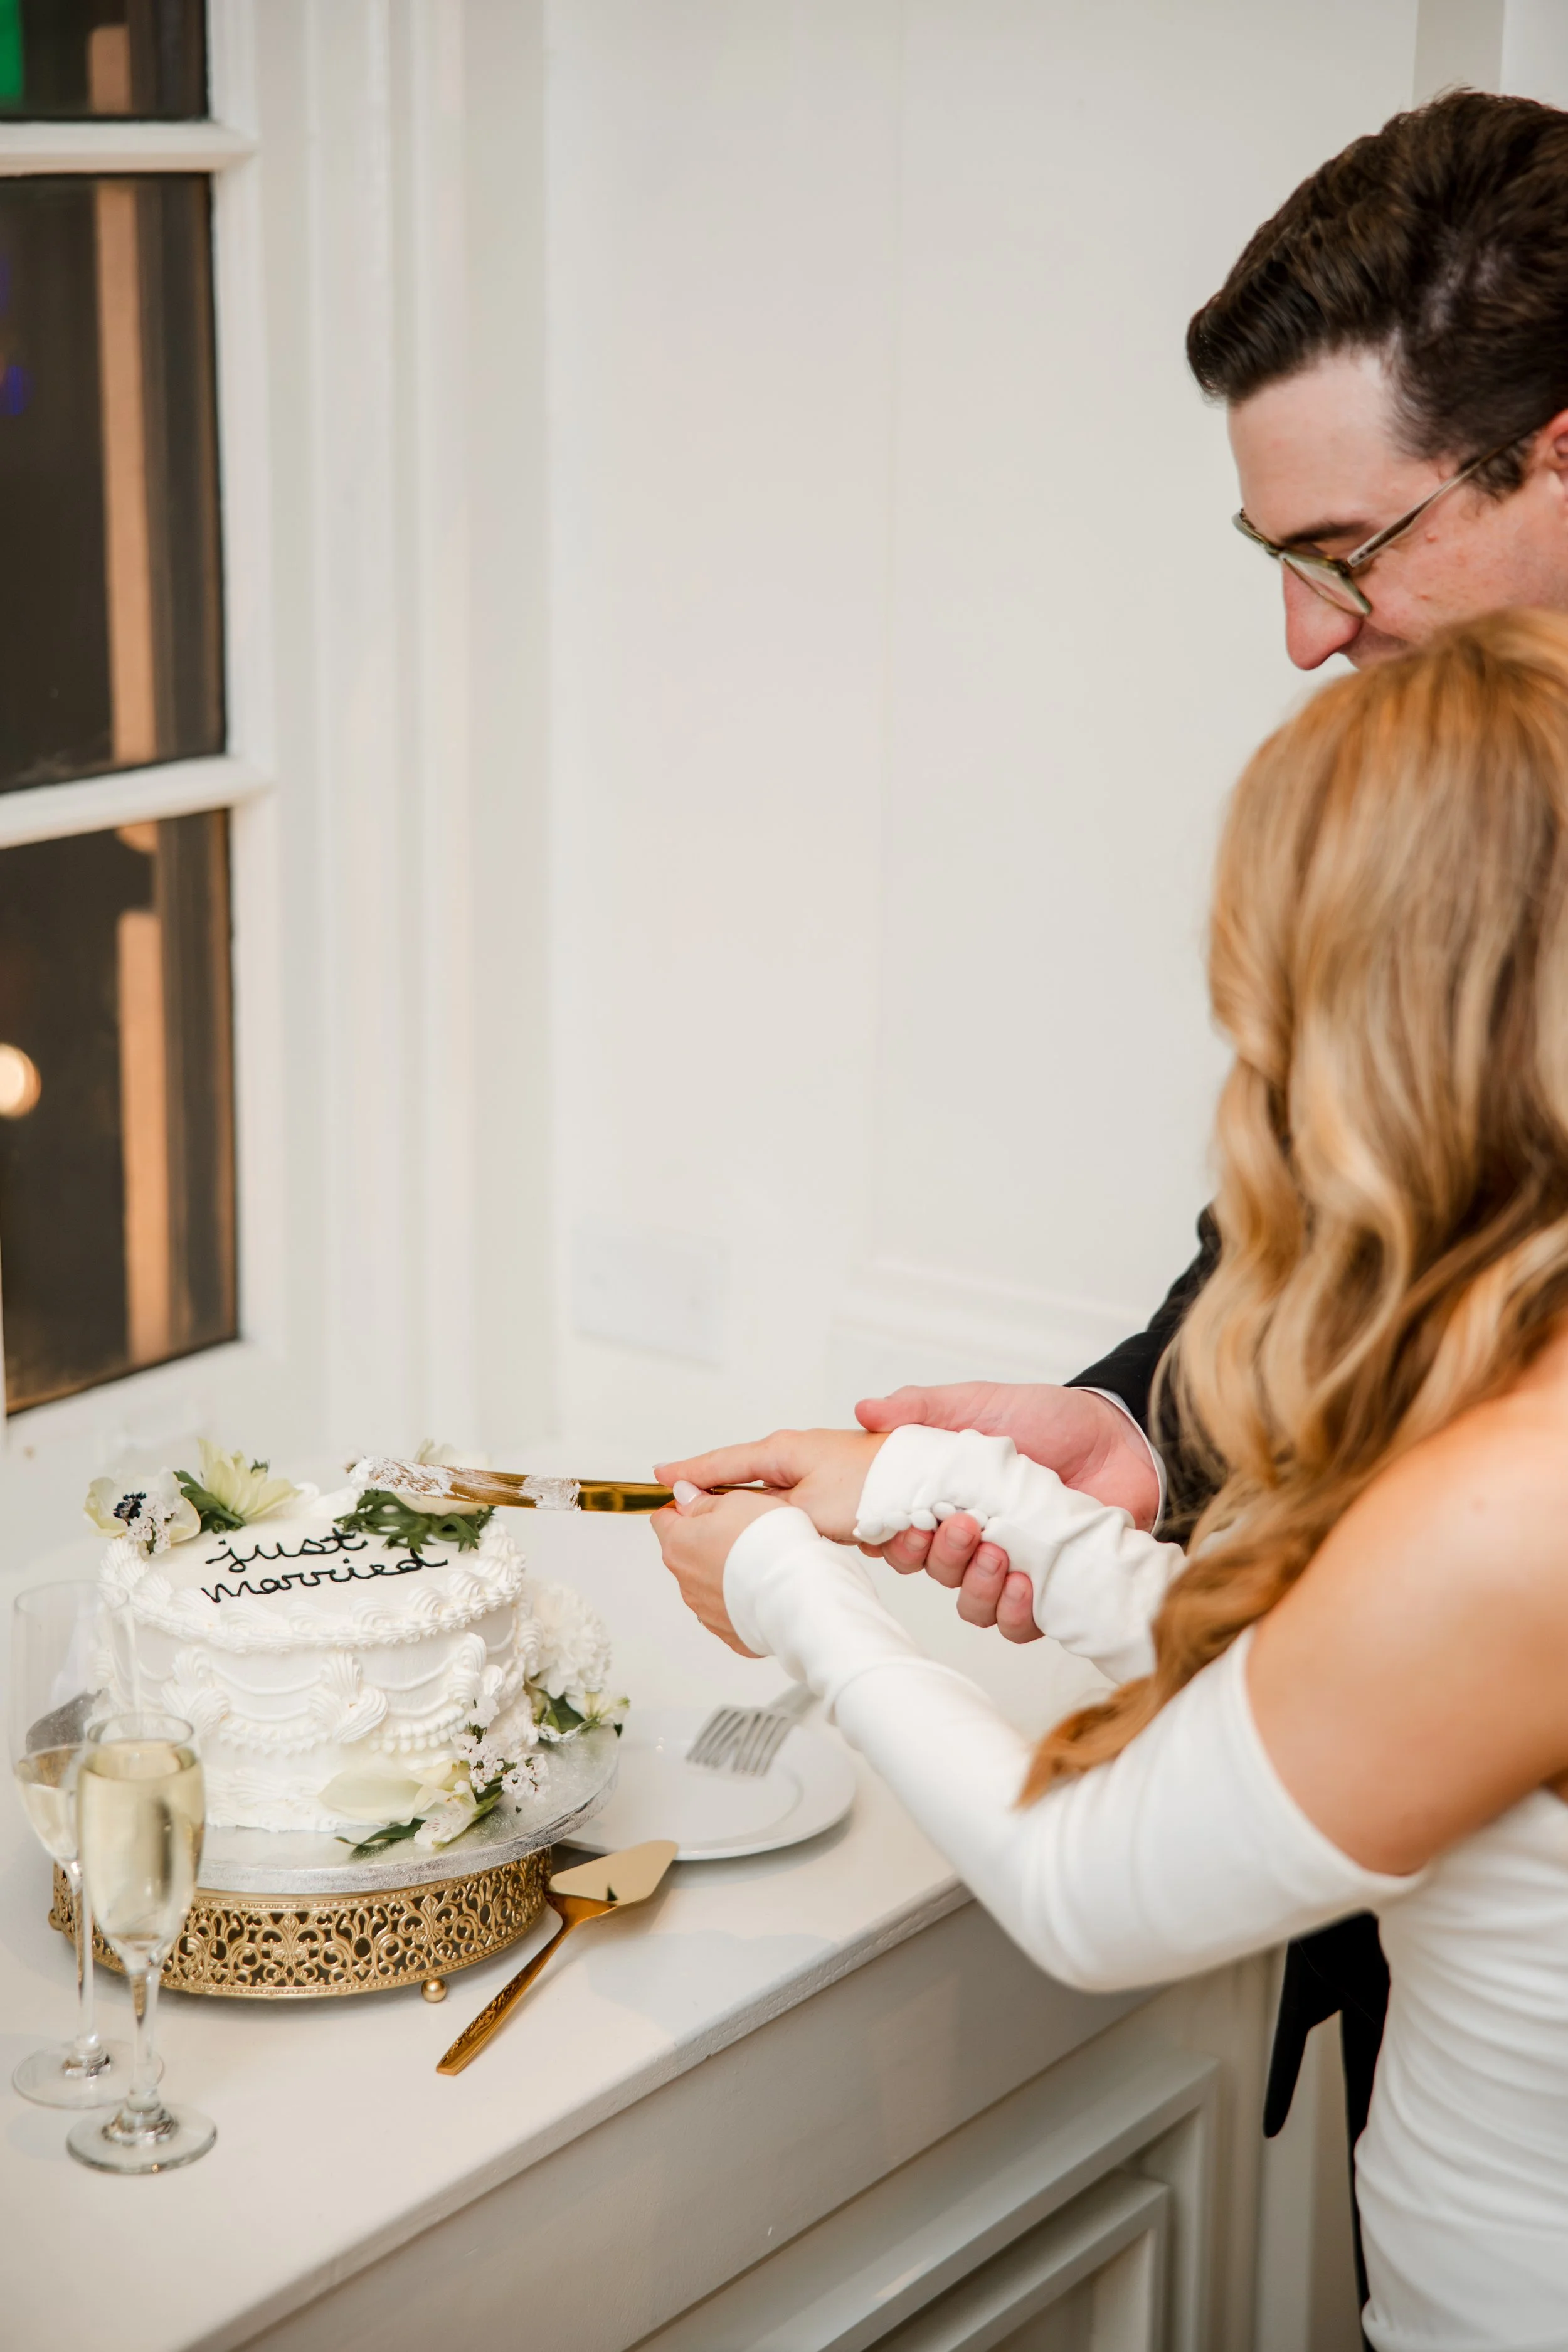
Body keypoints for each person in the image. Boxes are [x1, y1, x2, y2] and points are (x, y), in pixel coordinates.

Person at [827, 85, 1568, 2291]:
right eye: (1279, 568)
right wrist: (1138, 1433)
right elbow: (1358, 1227)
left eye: (1345, 551)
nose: (1309, 636)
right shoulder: (1440, 808)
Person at [652, 611, 1568, 2349]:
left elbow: (1088, 1886)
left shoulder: (1515, 1505)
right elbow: (1325, 1684)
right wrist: (938, 1483)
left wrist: (785, 1593)